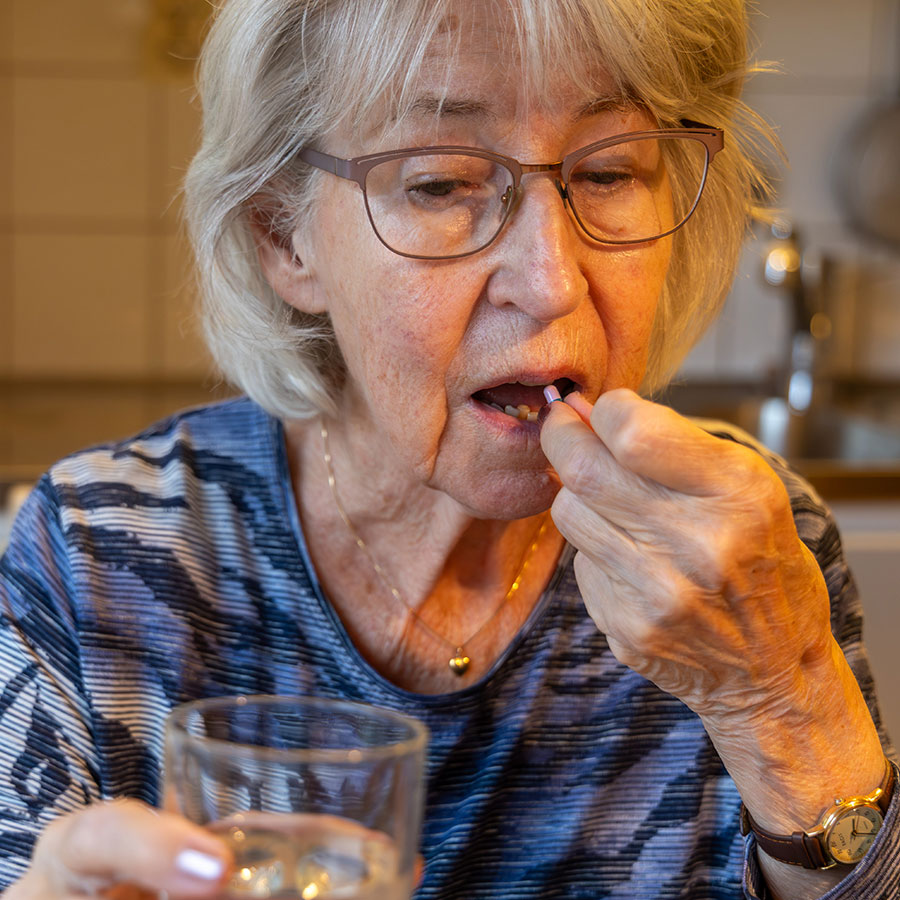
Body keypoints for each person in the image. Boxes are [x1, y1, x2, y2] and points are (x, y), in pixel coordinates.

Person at [0, 0, 896, 898]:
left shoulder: (743, 546)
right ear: (284, 236)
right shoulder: (98, 554)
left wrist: (784, 701)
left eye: (612, 170)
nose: (549, 280)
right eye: (440, 183)